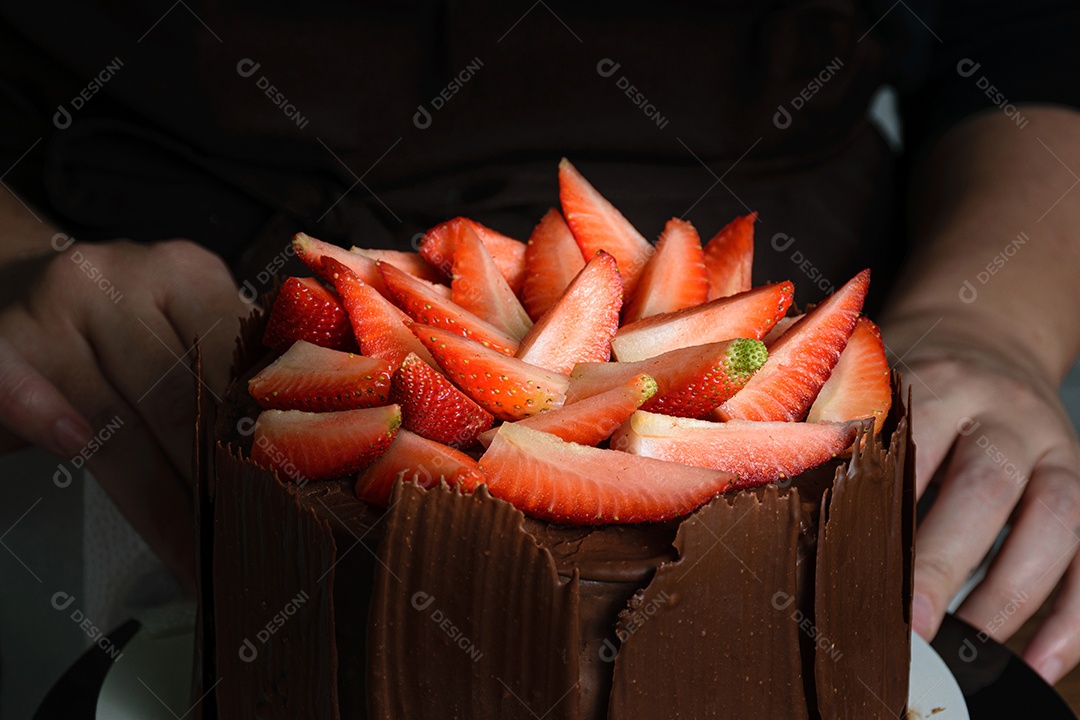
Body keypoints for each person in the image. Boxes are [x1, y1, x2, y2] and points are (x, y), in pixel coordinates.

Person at [1, 0, 1079, 686]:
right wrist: (15, 262)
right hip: (148, 387)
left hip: (803, 374)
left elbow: (1030, 35)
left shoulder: (751, 367)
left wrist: (990, 317)